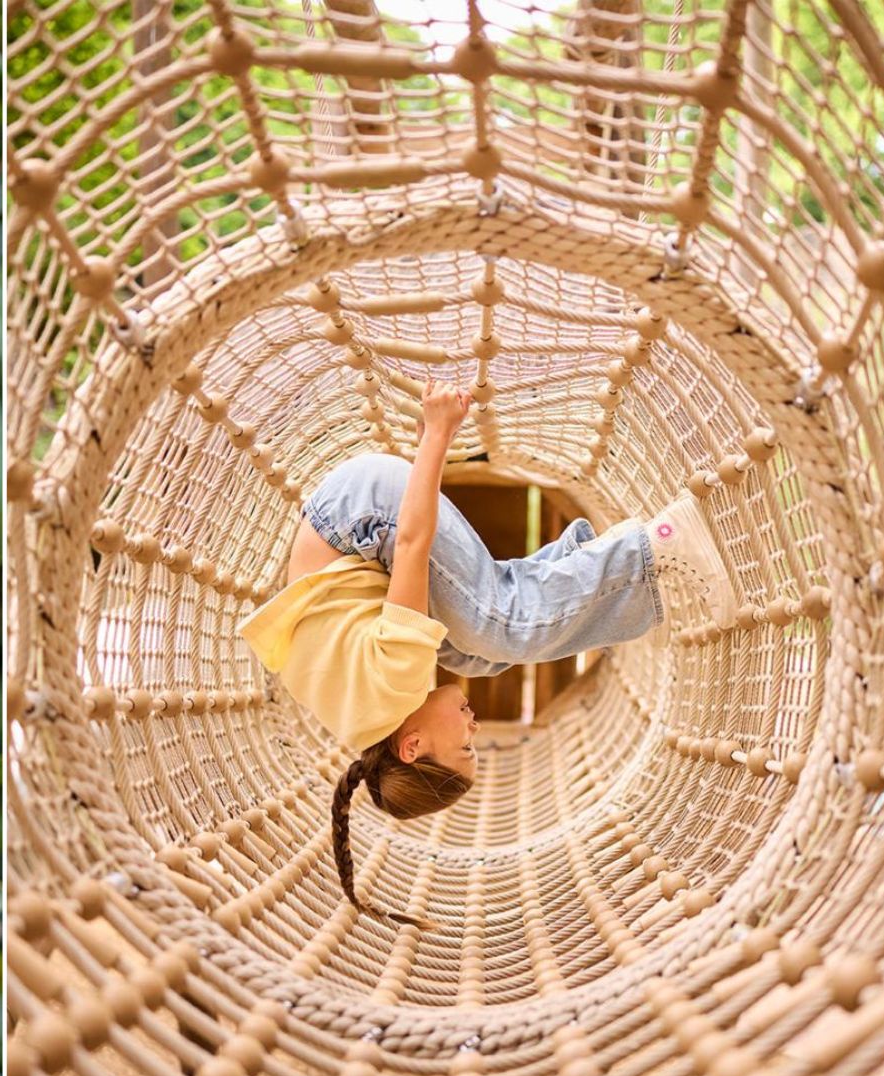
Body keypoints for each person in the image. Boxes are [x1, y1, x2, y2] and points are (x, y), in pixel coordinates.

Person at [242, 381, 735, 924]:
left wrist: (435, 435)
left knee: (499, 625)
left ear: (411, 746)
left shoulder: (394, 682)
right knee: (480, 655)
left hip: (364, 515)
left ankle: (656, 545)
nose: (474, 732)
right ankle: (610, 572)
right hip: (348, 527)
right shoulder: (365, 720)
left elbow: (411, 542)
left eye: (465, 750)